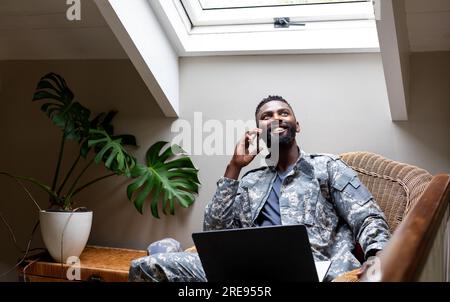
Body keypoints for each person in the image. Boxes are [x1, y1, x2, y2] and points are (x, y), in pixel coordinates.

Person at [129, 95, 391, 282]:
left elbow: (368, 218)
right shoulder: (250, 181)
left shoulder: (327, 167)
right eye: (267, 116)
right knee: (147, 267)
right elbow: (214, 232)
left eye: (283, 113)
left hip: (316, 270)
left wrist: (376, 258)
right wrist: (234, 167)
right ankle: (166, 253)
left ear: (296, 125)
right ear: (258, 131)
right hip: (247, 271)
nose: (276, 118)